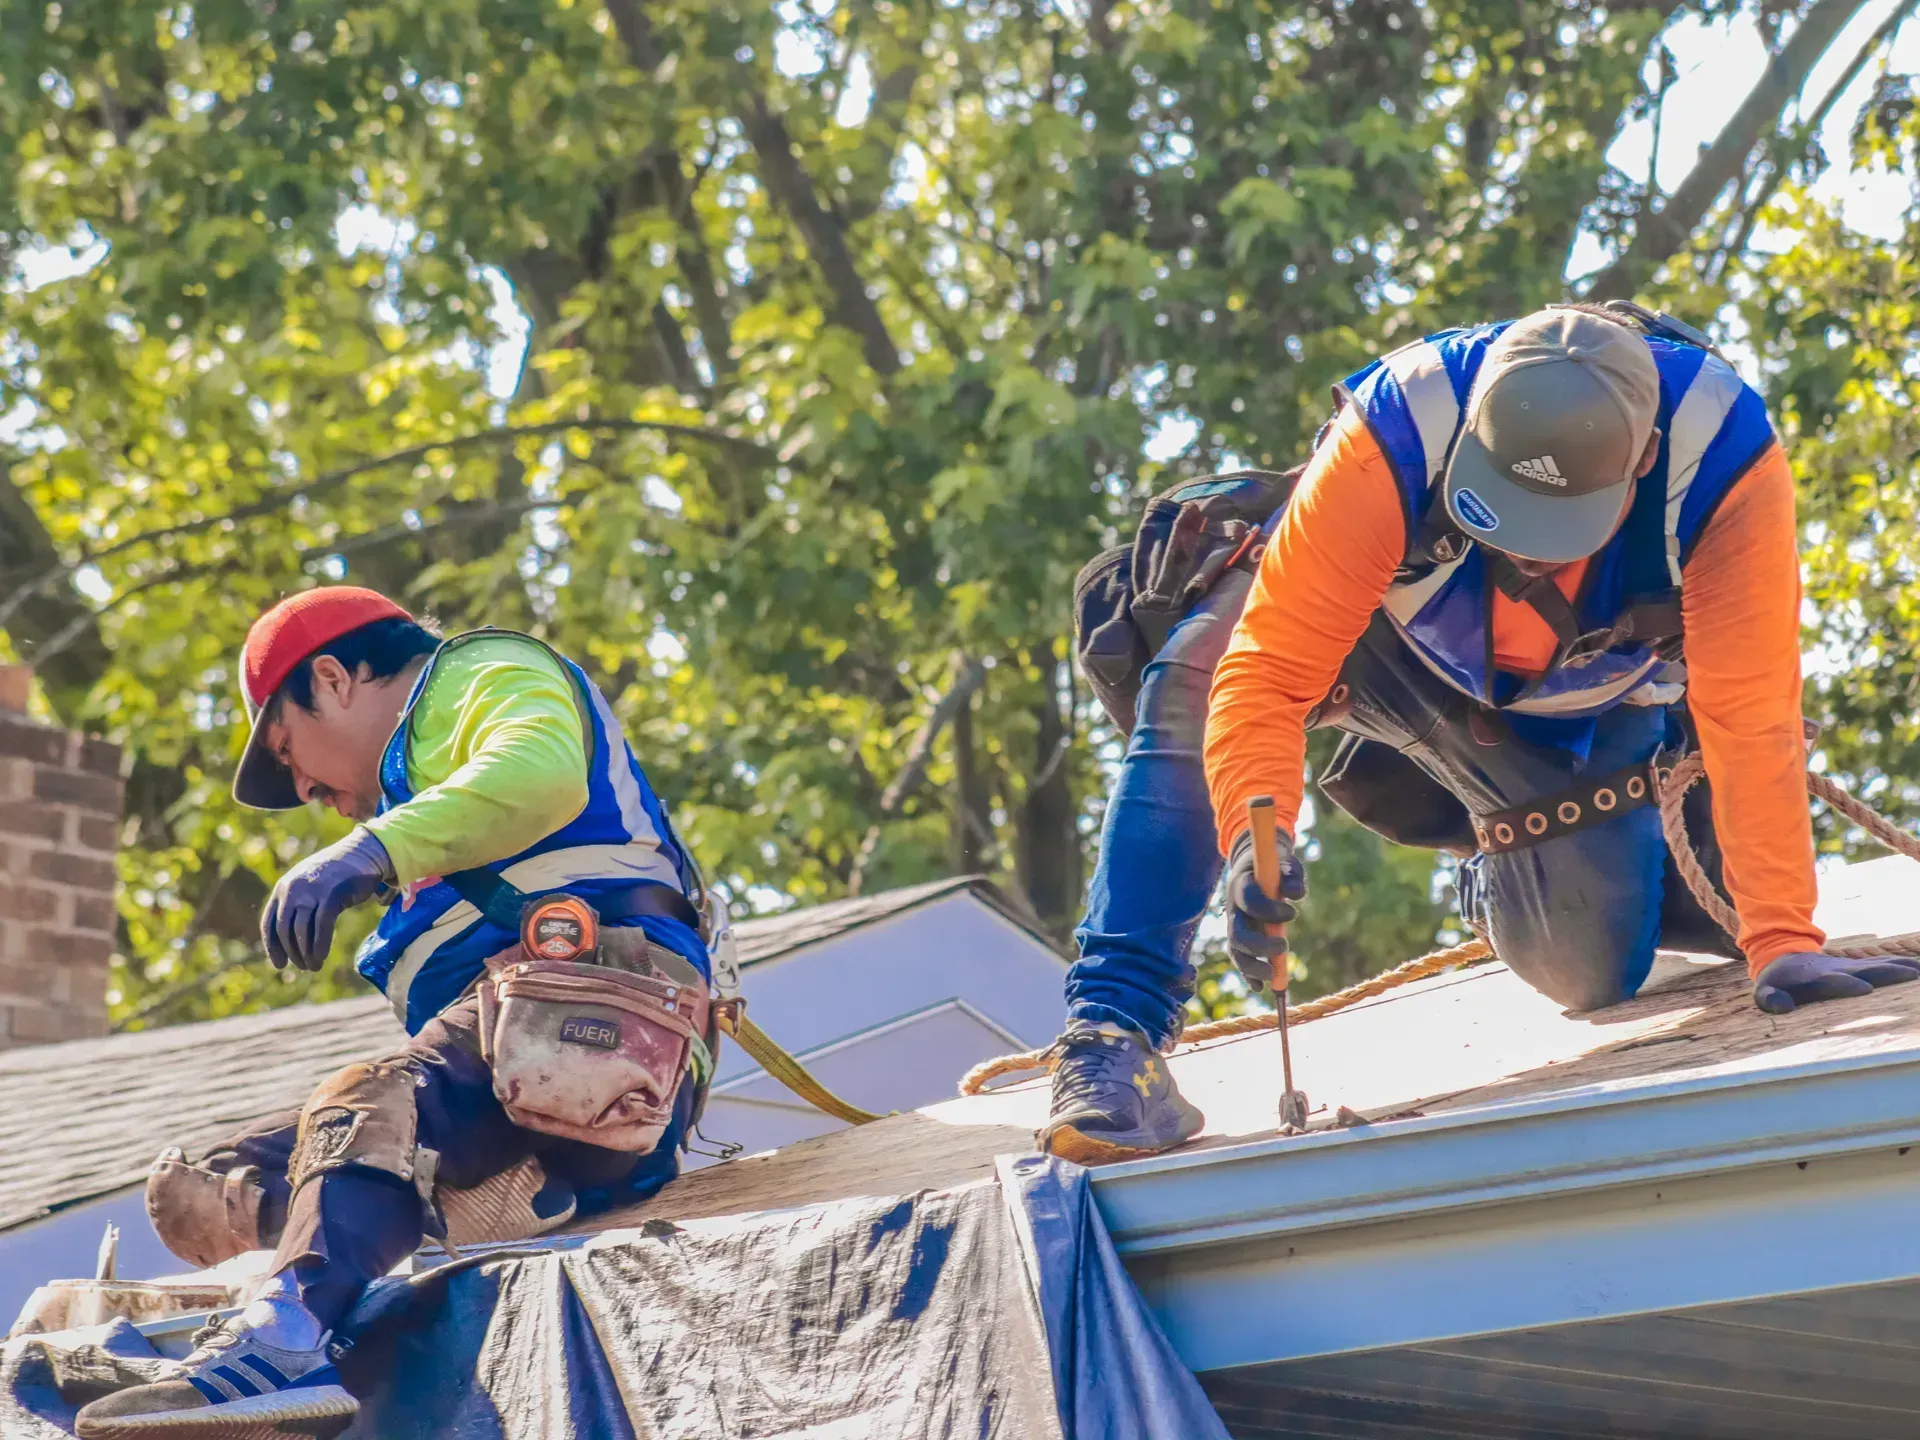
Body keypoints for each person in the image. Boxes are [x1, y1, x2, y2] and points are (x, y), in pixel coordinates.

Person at [1040, 304, 1920, 1164]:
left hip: (1578, 709)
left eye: (1558, 531)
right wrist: (1252, 833)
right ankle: (1112, 1035)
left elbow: (1749, 709)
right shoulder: (1397, 426)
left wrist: (1783, 943)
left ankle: (1495, 861)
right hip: (1383, 655)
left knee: (1592, 973)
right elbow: (1266, 676)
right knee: (1207, 655)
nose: (1528, 554)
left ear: (1643, 460)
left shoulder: (1724, 462)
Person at [79, 587, 712, 1439]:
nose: (304, 787)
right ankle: (493, 1199)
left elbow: (542, 768)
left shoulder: (478, 672)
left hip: (604, 1013)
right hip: (519, 1059)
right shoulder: (427, 802)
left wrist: (374, 849)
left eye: (287, 748)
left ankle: (283, 1344)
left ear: (334, 678)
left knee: (367, 1102)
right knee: (213, 1182)